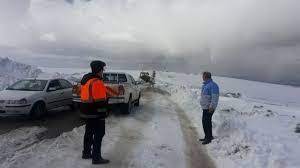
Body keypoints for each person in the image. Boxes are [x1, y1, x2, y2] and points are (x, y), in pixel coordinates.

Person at [80, 60, 110, 164]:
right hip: (96, 113)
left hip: (86, 112)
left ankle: (86, 153)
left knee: (88, 133)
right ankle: (96, 158)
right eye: (102, 69)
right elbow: (101, 102)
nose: (103, 71)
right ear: (99, 69)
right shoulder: (97, 82)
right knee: (99, 134)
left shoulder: (86, 81)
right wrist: (104, 114)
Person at [199, 71, 219, 145]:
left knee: (206, 122)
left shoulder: (213, 85)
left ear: (206, 76)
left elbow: (215, 97)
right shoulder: (206, 85)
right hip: (205, 107)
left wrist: (212, 107)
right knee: (206, 122)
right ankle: (207, 136)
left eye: (203, 76)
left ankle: (208, 138)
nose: (202, 77)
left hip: (209, 108)